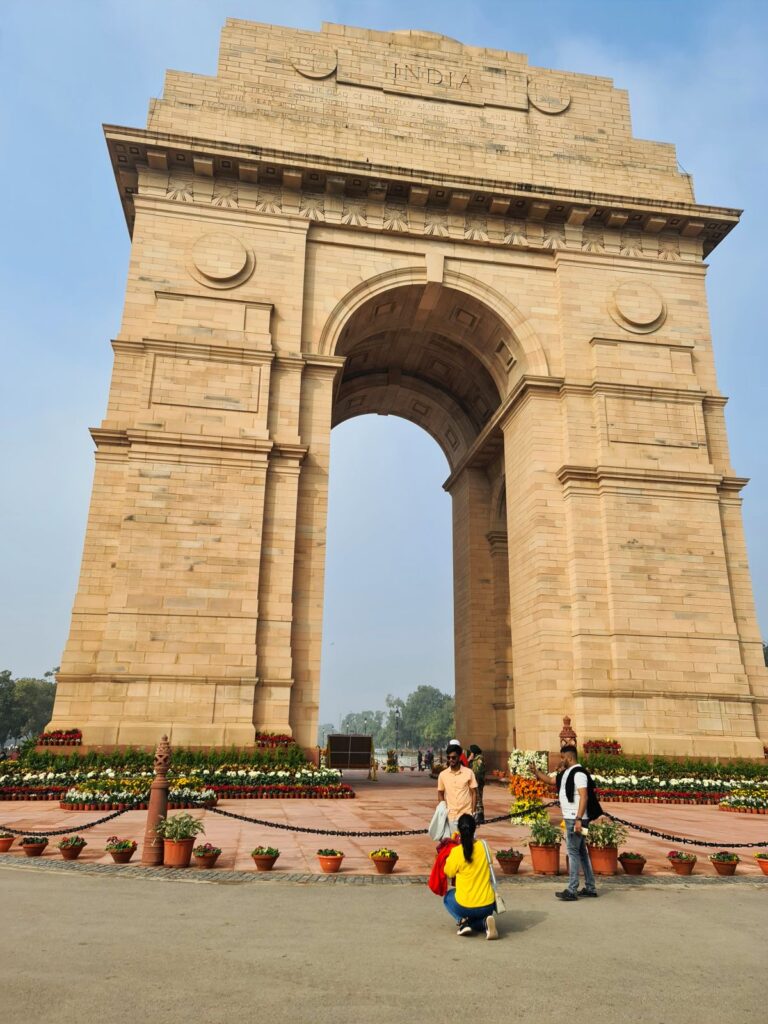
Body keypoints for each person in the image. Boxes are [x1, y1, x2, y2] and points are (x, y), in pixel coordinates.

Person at [530, 744, 599, 901]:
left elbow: (584, 796)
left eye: (562, 758)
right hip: (572, 818)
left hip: (577, 819)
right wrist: (537, 772)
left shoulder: (579, 773)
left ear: (569, 757)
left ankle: (572, 889)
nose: (561, 760)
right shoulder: (567, 773)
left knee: (573, 851)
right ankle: (590, 887)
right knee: (581, 851)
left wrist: (579, 819)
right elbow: (551, 780)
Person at [442, 814, 499, 939]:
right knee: (480, 915)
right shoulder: (485, 846)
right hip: (487, 904)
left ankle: (463, 922)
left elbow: (448, 872)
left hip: (464, 905)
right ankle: (484, 923)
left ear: (459, 831)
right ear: (474, 829)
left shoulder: (457, 852)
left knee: (447, 898)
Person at [437, 743, 477, 833]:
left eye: (454, 757)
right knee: (454, 845)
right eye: (449, 758)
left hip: (467, 816)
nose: (451, 760)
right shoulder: (443, 775)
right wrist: (443, 810)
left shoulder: (469, 773)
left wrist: (473, 812)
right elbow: (440, 793)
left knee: (468, 845)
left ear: (459, 757)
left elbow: (474, 792)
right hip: (451, 816)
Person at [467, 744, 486, 823]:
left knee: (478, 798)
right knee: (477, 798)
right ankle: (478, 814)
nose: (470, 754)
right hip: (475, 781)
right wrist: (469, 760)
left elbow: (478, 771)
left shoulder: (479, 759)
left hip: (478, 781)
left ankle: (480, 815)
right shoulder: (475, 759)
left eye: (471, 752)